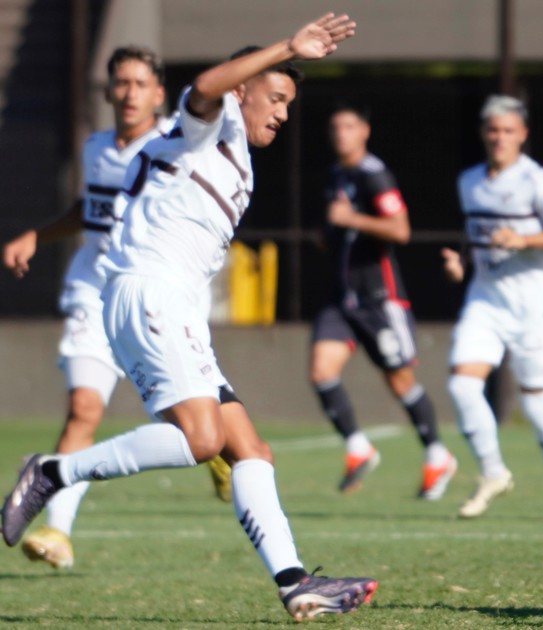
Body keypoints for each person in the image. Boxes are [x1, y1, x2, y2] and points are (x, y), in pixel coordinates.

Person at [1, 14, 378, 620]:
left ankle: (295, 583)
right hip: (150, 291)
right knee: (202, 441)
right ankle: (53, 471)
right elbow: (204, 86)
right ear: (242, 90)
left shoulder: (234, 151)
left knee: (249, 449)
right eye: (275, 97)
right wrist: (286, 45)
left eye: (288, 103)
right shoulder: (214, 122)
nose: (283, 113)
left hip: (168, 303)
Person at [1, 46, 234, 571]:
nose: (129, 93)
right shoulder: (96, 147)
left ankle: (217, 454)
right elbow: (91, 209)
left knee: (192, 426)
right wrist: (38, 235)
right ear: (108, 91)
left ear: (159, 93)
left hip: (160, 297)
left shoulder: (181, 140)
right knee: (84, 408)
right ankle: (58, 531)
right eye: (121, 83)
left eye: (139, 83)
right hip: (95, 290)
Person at [441, 95, 543, 523]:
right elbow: (478, 237)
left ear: (522, 134)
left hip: (534, 307)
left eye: (508, 130)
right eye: (493, 130)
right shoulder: (470, 181)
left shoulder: (538, 181)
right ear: (483, 133)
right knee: (461, 386)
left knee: (536, 406)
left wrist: (525, 240)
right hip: (486, 299)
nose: (500, 138)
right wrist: (460, 264)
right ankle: (492, 472)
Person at [309, 103, 456, 496]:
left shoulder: (375, 175)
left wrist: (351, 220)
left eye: (349, 126)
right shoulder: (337, 175)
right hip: (342, 299)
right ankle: (358, 448)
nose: (341, 134)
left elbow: (400, 230)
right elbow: (336, 227)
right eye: (335, 127)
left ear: (364, 132)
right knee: (321, 371)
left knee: (399, 379)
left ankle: (437, 454)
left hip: (378, 298)